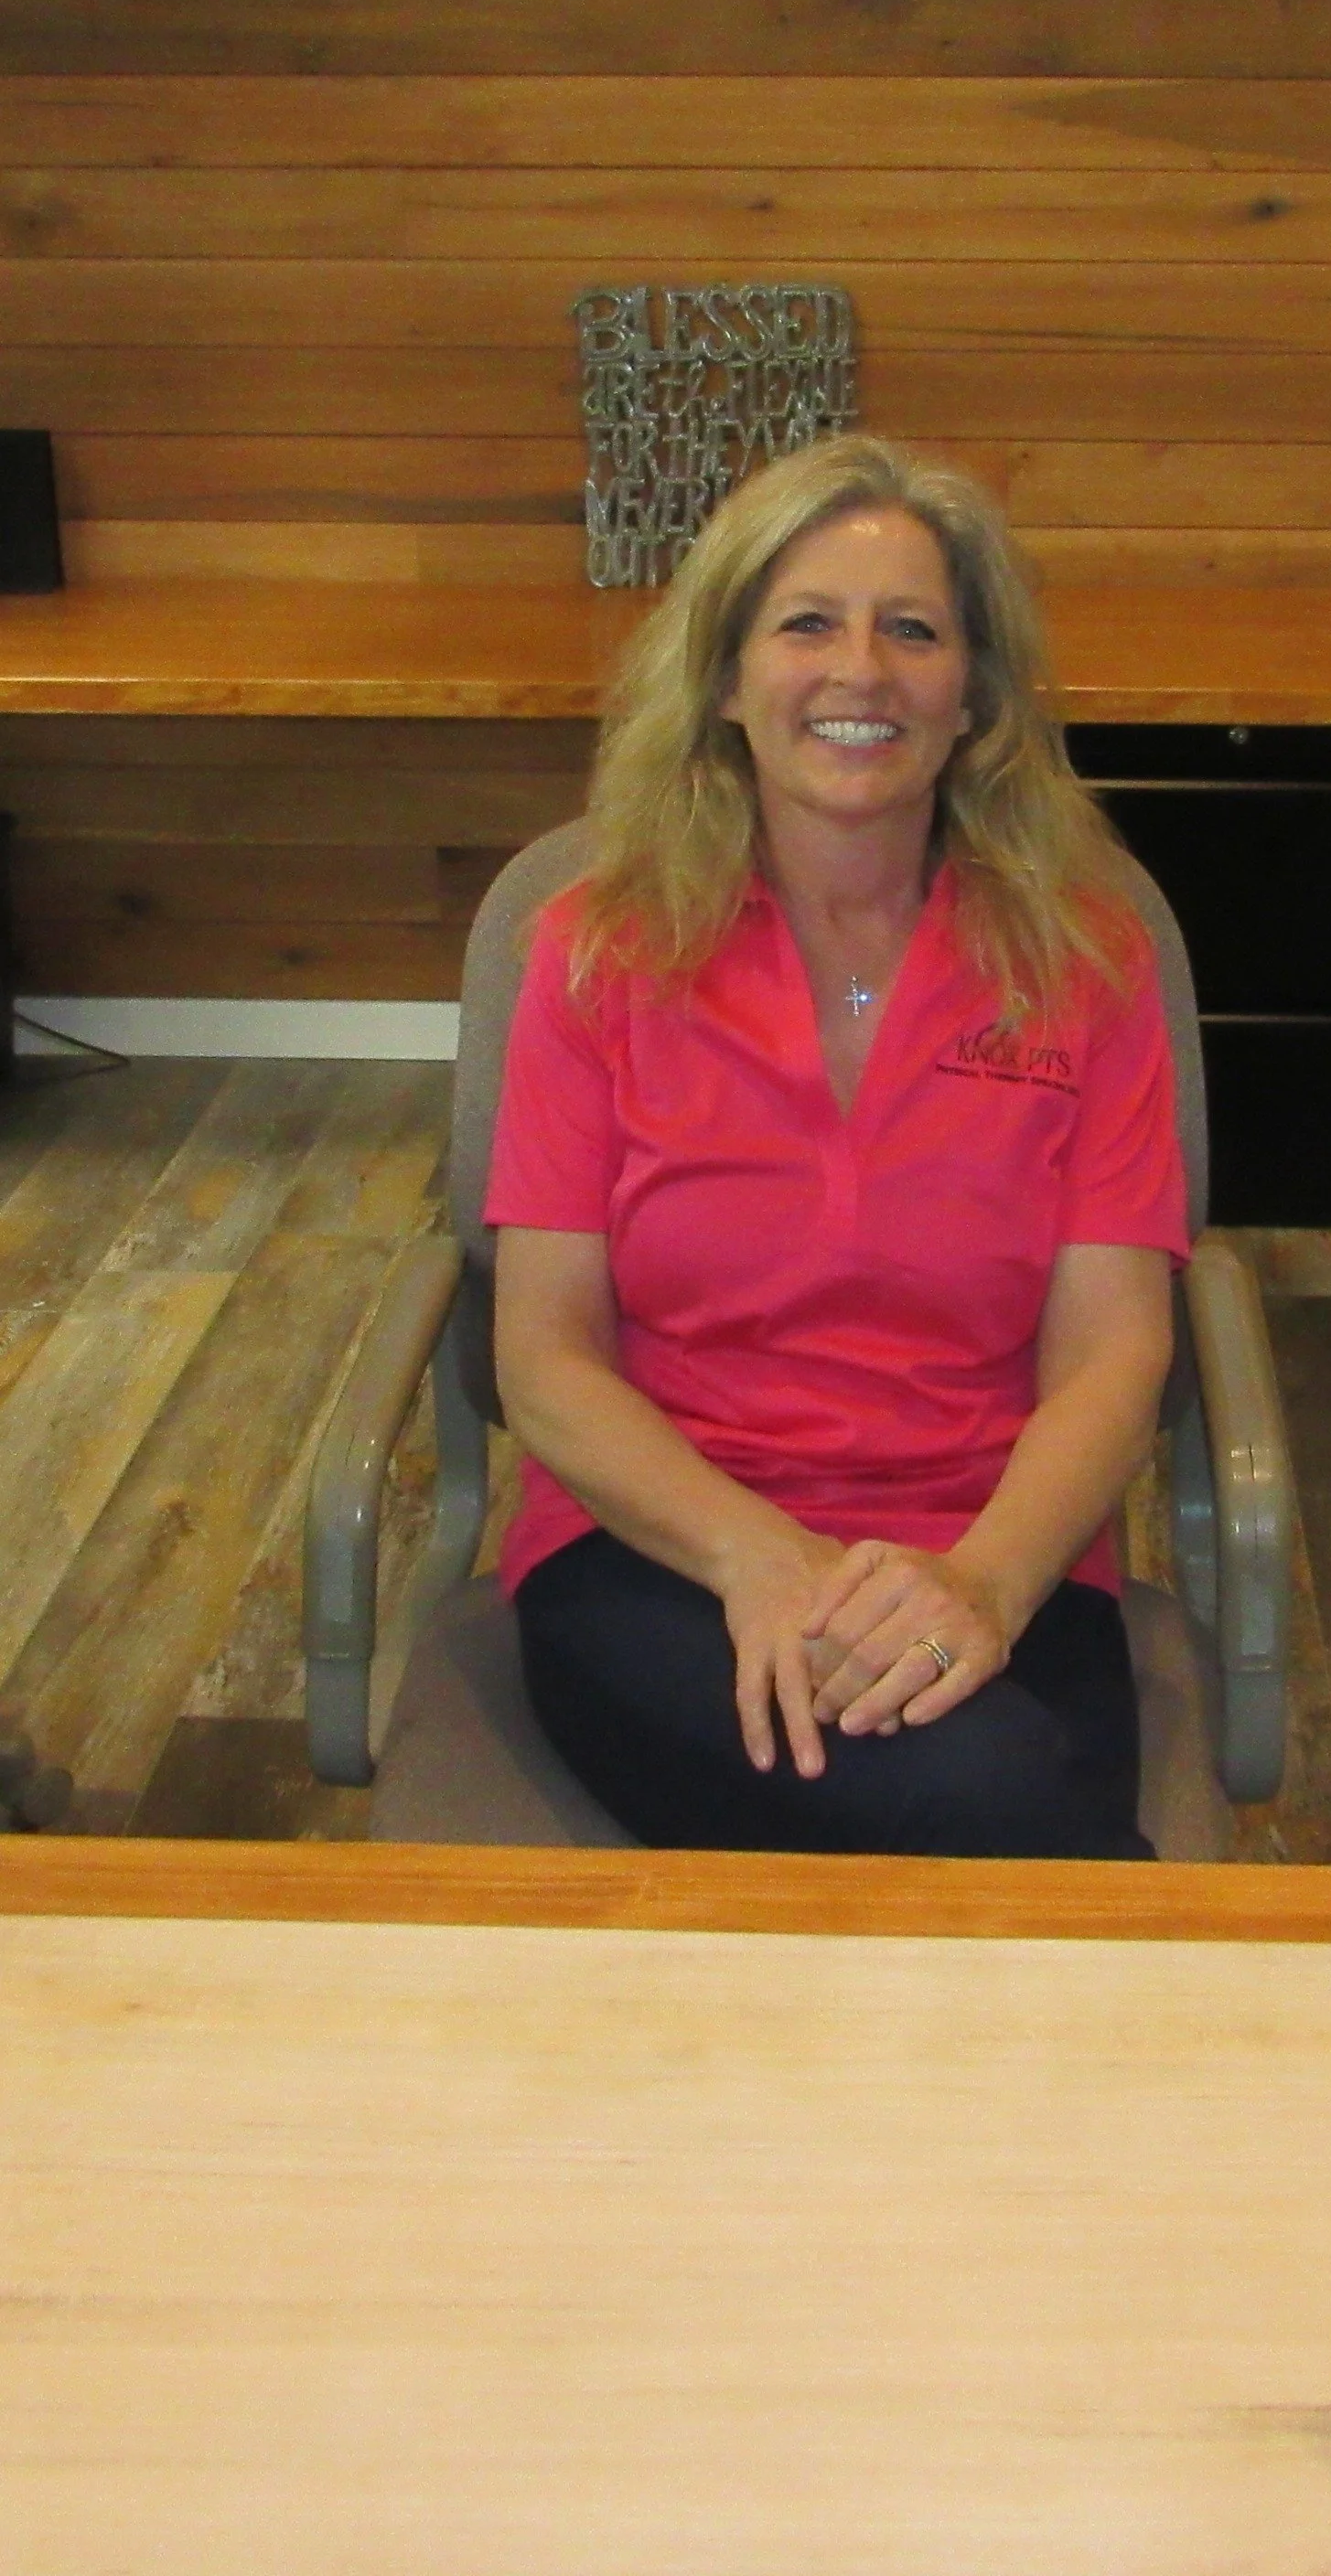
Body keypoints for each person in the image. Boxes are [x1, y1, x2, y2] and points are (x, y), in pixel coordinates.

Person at [486, 433, 1188, 1856]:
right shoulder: (595, 951)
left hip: (997, 1544)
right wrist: (765, 1562)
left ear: (974, 696)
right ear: (729, 680)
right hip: (663, 1548)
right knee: (1016, 1825)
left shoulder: (1086, 959)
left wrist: (982, 1589)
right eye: (806, 622)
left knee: (1014, 1812)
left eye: (912, 630)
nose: (859, 669)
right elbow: (543, 1360)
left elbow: (1116, 1353)